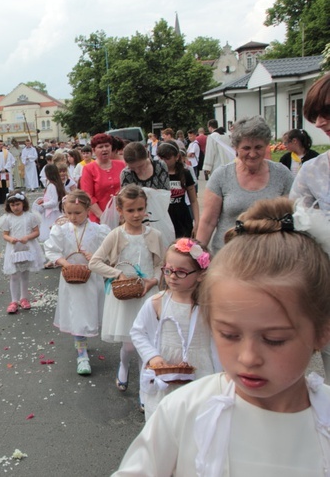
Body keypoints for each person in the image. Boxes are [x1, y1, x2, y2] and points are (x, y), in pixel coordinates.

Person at [114, 197, 330, 476]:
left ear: (322, 333)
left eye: (274, 339)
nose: (248, 358)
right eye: (228, 334)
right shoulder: (183, 410)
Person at [130, 238, 219, 420]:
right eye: (168, 270)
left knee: (196, 417)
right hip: (166, 369)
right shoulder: (157, 301)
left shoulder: (210, 304)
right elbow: (138, 331)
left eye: (181, 272)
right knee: (164, 418)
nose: (171, 277)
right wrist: (152, 356)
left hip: (199, 368)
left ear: (201, 274)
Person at [89, 185, 166, 393]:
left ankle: (144, 390)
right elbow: (94, 262)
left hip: (147, 294)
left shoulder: (154, 235)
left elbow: (160, 264)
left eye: (140, 209)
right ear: (120, 211)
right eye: (130, 210)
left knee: (146, 346)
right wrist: (117, 274)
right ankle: (123, 365)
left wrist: (153, 280)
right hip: (123, 296)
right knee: (130, 345)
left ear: (146, 208)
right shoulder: (116, 235)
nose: (136, 214)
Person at [196, 116, 294, 253]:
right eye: (246, 148)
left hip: (271, 257)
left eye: (258, 147)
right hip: (228, 257)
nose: (252, 154)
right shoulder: (221, 176)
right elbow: (208, 221)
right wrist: (197, 256)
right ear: (236, 148)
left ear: (266, 145)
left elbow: (292, 217)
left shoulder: (282, 174)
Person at [290, 71, 330, 380]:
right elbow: (297, 232)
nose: (319, 122)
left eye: (326, 112)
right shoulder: (312, 172)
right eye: (315, 115)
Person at [44, 191, 110, 375]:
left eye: (78, 213)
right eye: (69, 213)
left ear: (88, 210)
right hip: (70, 278)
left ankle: (82, 343)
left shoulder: (98, 230)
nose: (73, 217)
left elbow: (108, 250)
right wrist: (65, 263)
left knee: (88, 312)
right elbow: (51, 249)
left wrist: (95, 258)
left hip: (90, 277)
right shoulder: (62, 230)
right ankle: (81, 353)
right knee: (77, 314)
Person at [0, 191, 43, 314]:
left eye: (17, 204)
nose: (15, 207)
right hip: (14, 249)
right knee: (14, 274)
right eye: (12, 205)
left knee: (25, 274)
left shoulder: (30, 216)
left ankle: (24, 298)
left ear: (23, 203)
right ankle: (14, 300)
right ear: (8, 206)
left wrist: (28, 237)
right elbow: (5, 234)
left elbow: (36, 232)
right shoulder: (8, 219)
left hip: (27, 248)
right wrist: (10, 239)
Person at [80, 133, 126, 223]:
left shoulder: (121, 165)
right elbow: (88, 196)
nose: (104, 149)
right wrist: (102, 217)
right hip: (100, 219)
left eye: (107, 146)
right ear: (94, 150)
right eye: (100, 147)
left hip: (122, 217)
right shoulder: (88, 169)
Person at [157, 143, 199, 238]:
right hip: (164, 219)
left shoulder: (185, 173)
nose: (164, 161)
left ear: (177, 157)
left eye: (167, 158)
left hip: (182, 218)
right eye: (161, 158)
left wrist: (197, 222)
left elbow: (193, 200)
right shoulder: (157, 175)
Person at [36, 164, 66, 243]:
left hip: (53, 212)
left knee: (52, 233)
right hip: (53, 210)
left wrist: (43, 205)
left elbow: (54, 201)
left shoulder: (52, 185)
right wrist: (43, 200)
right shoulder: (56, 184)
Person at [0, 140, 16, 204]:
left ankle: (5, 199)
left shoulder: (6, 152)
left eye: (2, 144)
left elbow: (9, 161)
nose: (1, 145)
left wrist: (5, 168)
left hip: (5, 171)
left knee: (5, 185)